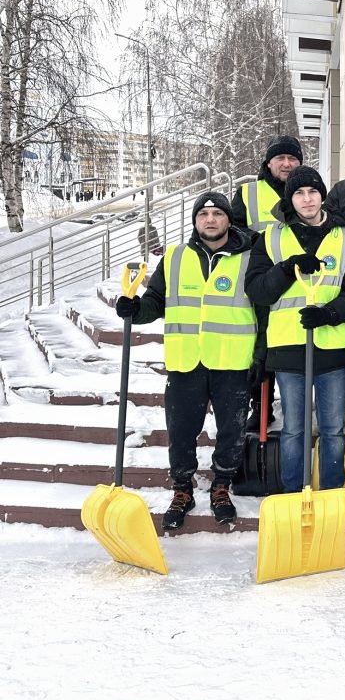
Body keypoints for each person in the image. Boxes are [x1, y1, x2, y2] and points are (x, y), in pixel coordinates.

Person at [115, 192, 256, 530]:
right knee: (181, 430)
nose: (210, 219)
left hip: (232, 360)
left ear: (228, 219)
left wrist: (263, 356)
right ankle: (182, 489)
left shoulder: (250, 258)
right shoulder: (175, 257)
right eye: (203, 214)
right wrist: (135, 310)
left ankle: (221, 486)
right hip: (185, 361)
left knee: (232, 430)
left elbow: (262, 307)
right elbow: (155, 300)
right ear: (195, 221)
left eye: (218, 213)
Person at [244, 166, 345, 527]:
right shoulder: (270, 239)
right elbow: (257, 290)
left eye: (313, 192)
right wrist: (288, 268)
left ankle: (331, 496)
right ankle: (293, 495)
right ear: (290, 199)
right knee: (295, 428)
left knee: (332, 428)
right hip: (288, 346)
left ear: (322, 195)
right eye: (299, 193)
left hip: (332, 347)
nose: (307, 199)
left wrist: (329, 313)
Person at [231, 135, 304, 432]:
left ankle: (294, 405)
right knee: (259, 346)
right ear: (268, 163)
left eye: (292, 158)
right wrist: (261, 242)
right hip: (260, 277)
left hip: (297, 282)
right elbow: (233, 228)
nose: (286, 164)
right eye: (280, 158)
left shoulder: (307, 191)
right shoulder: (249, 193)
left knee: (287, 343)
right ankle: (260, 407)